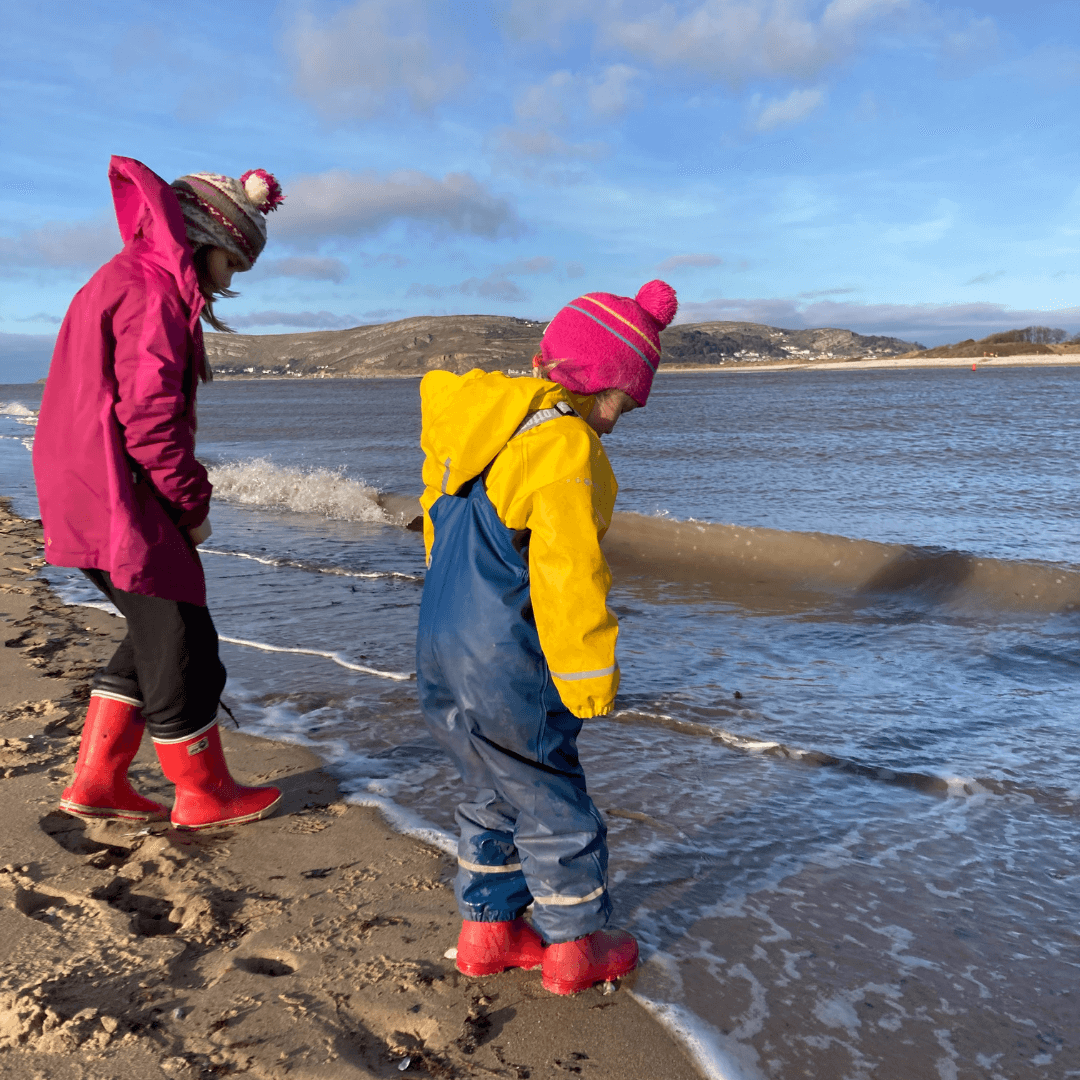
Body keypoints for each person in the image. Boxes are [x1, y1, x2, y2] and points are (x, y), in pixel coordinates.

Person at [416, 279, 678, 994]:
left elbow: (438, 531)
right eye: (620, 401)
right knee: (551, 792)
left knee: (489, 783)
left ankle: (488, 930)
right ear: (595, 382)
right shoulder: (564, 445)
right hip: (508, 656)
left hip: (442, 642)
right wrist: (590, 677)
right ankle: (573, 947)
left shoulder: (475, 432)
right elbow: (569, 575)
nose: (619, 420)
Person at [33, 155, 285, 831]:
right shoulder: (152, 291)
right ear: (206, 241)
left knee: (154, 628)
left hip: (86, 480)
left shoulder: (129, 277)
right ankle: (202, 792)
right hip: (120, 491)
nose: (230, 283)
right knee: (183, 639)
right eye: (232, 265)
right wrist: (190, 503)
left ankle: (98, 779)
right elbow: (150, 421)